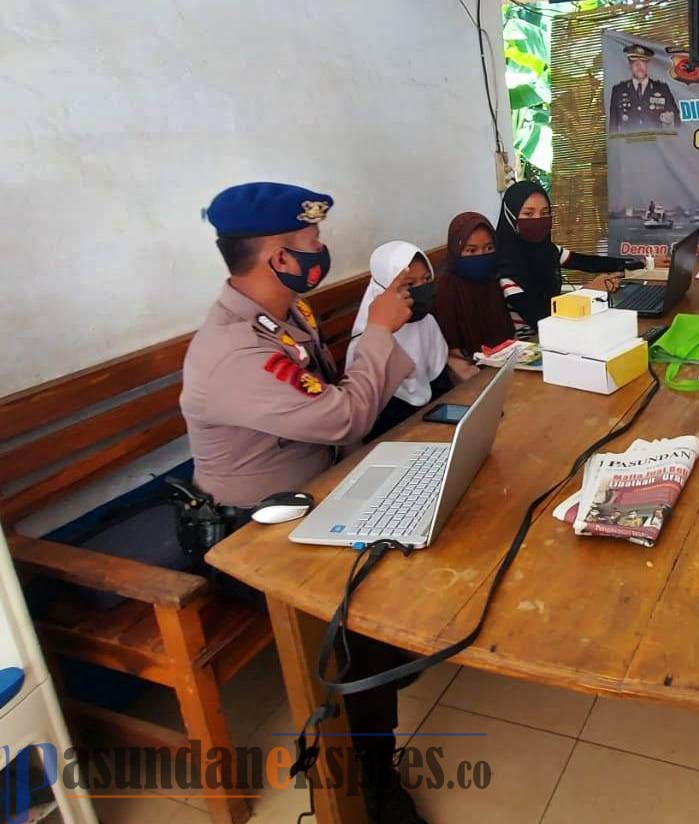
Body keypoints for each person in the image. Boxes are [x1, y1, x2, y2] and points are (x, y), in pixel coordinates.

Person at [181, 182, 429, 824]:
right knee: (363, 619)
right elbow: (343, 415)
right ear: (275, 257)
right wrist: (377, 331)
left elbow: (327, 397)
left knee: (430, 512)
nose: (322, 252)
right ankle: (371, 787)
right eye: (312, 244)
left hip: (315, 493)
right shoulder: (234, 351)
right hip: (250, 533)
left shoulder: (282, 315)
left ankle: (389, 670)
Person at [348, 241, 479, 441]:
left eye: (426, 279)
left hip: (436, 426)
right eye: (409, 284)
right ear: (382, 290)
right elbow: (370, 418)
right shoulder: (366, 344)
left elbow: (441, 386)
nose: (422, 290)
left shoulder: (426, 322)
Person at [495, 180, 644, 336]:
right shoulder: (505, 268)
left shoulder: (547, 250)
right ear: (510, 216)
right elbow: (540, 319)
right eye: (528, 213)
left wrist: (642, 263)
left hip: (562, 333)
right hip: (530, 346)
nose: (538, 219)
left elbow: (590, 263)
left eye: (545, 213)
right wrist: (587, 291)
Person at [435, 211, 517, 360]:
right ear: (455, 250)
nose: (481, 255)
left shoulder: (496, 279)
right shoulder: (445, 289)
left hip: (507, 361)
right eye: (471, 250)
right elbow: (451, 354)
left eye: (489, 248)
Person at [608, 43, 681, 133]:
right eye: (635, 63)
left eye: (642, 62)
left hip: (657, 145)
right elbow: (613, 127)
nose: (639, 66)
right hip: (629, 145)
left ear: (647, 64)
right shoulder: (618, 90)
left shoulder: (662, 89)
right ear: (630, 66)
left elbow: (677, 121)